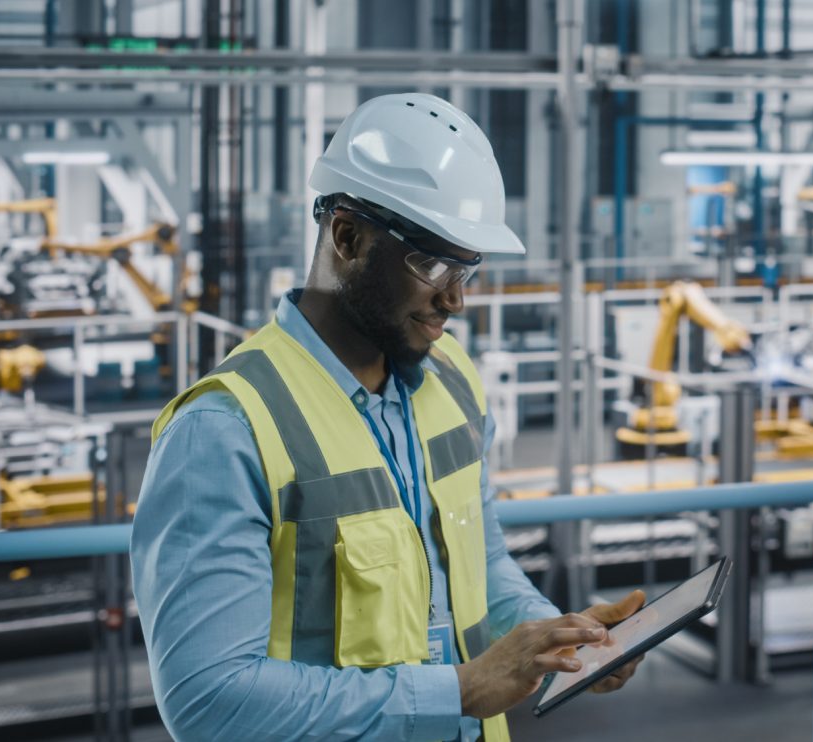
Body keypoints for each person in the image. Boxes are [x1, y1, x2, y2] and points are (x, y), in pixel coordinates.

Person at [131, 93, 644, 741]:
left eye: (469, 269)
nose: (455, 299)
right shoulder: (224, 430)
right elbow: (209, 701)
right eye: (433, 264)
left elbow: (478, 567)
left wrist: (556, 640)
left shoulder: (452, 379)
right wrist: (460, 689)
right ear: (347, 236)